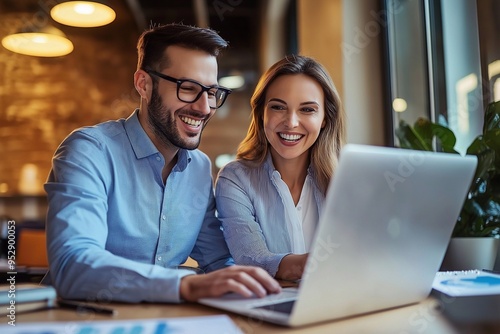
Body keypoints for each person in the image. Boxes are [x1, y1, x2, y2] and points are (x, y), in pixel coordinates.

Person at [42, 23, 281, 303]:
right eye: (188, 88)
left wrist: (261, 289)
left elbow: (217, 259)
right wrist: (185, 285)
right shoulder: (89, 151)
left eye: (212, 92)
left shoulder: (199, 167)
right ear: (144, 84)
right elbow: (72, 265)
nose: (204, 107)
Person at [215, 55, 346, 281]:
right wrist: (329, 263)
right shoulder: (235, 179)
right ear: (261, 113)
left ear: (325, 118)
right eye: (278, 107)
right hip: (270, 309)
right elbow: (253, 259)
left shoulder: (347, 178)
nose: (291, 122)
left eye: (307, 110)